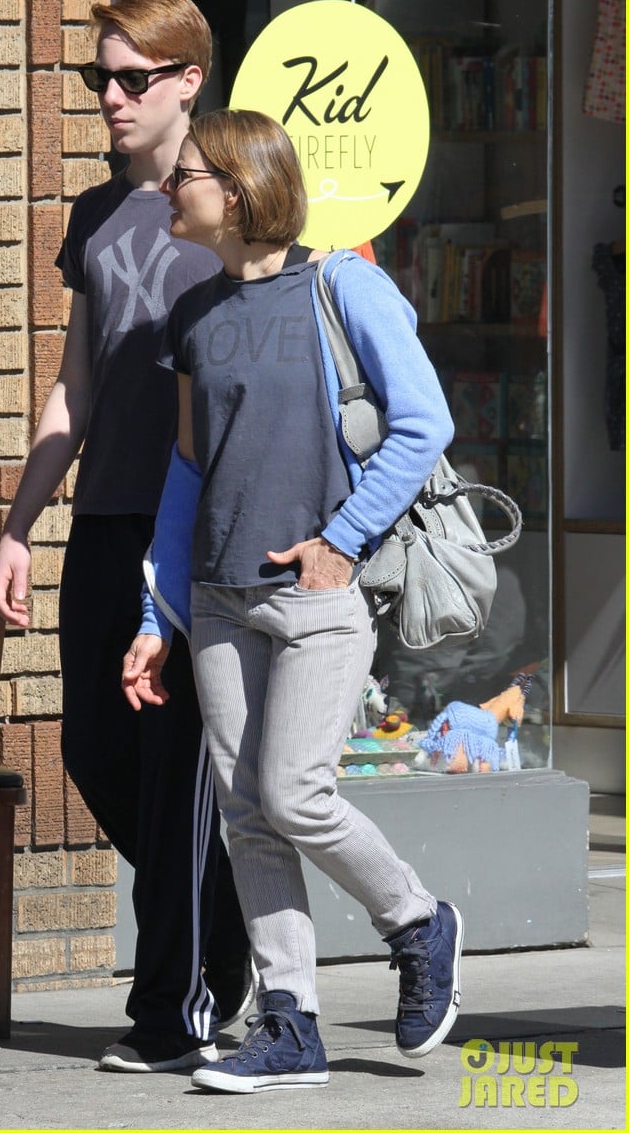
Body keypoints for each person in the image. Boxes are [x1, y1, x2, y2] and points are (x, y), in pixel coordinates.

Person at [121, 109, 465, 1094]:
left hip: (315, 596)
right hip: (219, 601)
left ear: (233, 191)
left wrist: (342, 541)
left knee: (295, 791)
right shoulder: (195, 316)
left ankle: (414, 918)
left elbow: (421, 421)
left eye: (184, 174)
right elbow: (188, 471)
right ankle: (290, 1022)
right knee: (247, 812)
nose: (166, 188)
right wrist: (159, 612)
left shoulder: (340, 286)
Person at [0, 0, 255, 1074]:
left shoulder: (231, 204)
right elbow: (75, 390)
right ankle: (223, 930)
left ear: (188, 81)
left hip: (191, 527)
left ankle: (172, 1006)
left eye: (130, 79)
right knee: (92, 747)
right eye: (100, 76)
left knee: (168, 763)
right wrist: (17, 524)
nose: (108, 95)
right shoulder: (96, 215)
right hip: (103, 519)